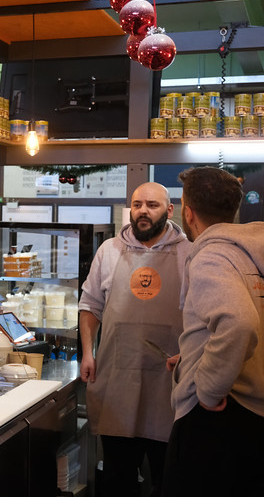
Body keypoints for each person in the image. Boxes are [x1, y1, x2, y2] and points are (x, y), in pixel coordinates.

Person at [79, 182, 191, 497]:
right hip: (118, 380)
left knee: (168, 481)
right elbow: (90, 306)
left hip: (169, 385)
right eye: (138, 204)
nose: (143, 211)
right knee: (117, 478)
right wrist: (88, 353)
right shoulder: (109, 250)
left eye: (152, 205)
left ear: (170, 210)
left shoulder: (189, 253)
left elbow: (201, 316)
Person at [162, 167, 264, 497]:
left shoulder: (212, 255)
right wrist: (194, 356)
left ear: (188, 213)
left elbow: (239, 323)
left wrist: (208, 387)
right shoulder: (251, 252)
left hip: (218, 418)